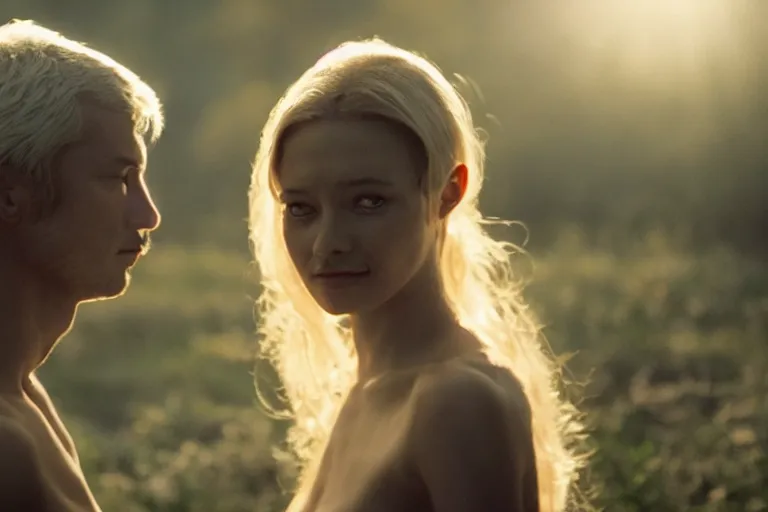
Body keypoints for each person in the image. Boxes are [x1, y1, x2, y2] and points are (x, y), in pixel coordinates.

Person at [249, 38, 588, 512]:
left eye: (368, 202)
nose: (328, 242)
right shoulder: (367, 389)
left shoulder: (458, 401)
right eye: (301, 208)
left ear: (448, 192)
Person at [0, 19, 163, 510]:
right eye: (119, 179)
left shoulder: (26, 395)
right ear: (10, 196)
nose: (148, 215)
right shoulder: (6, 449)